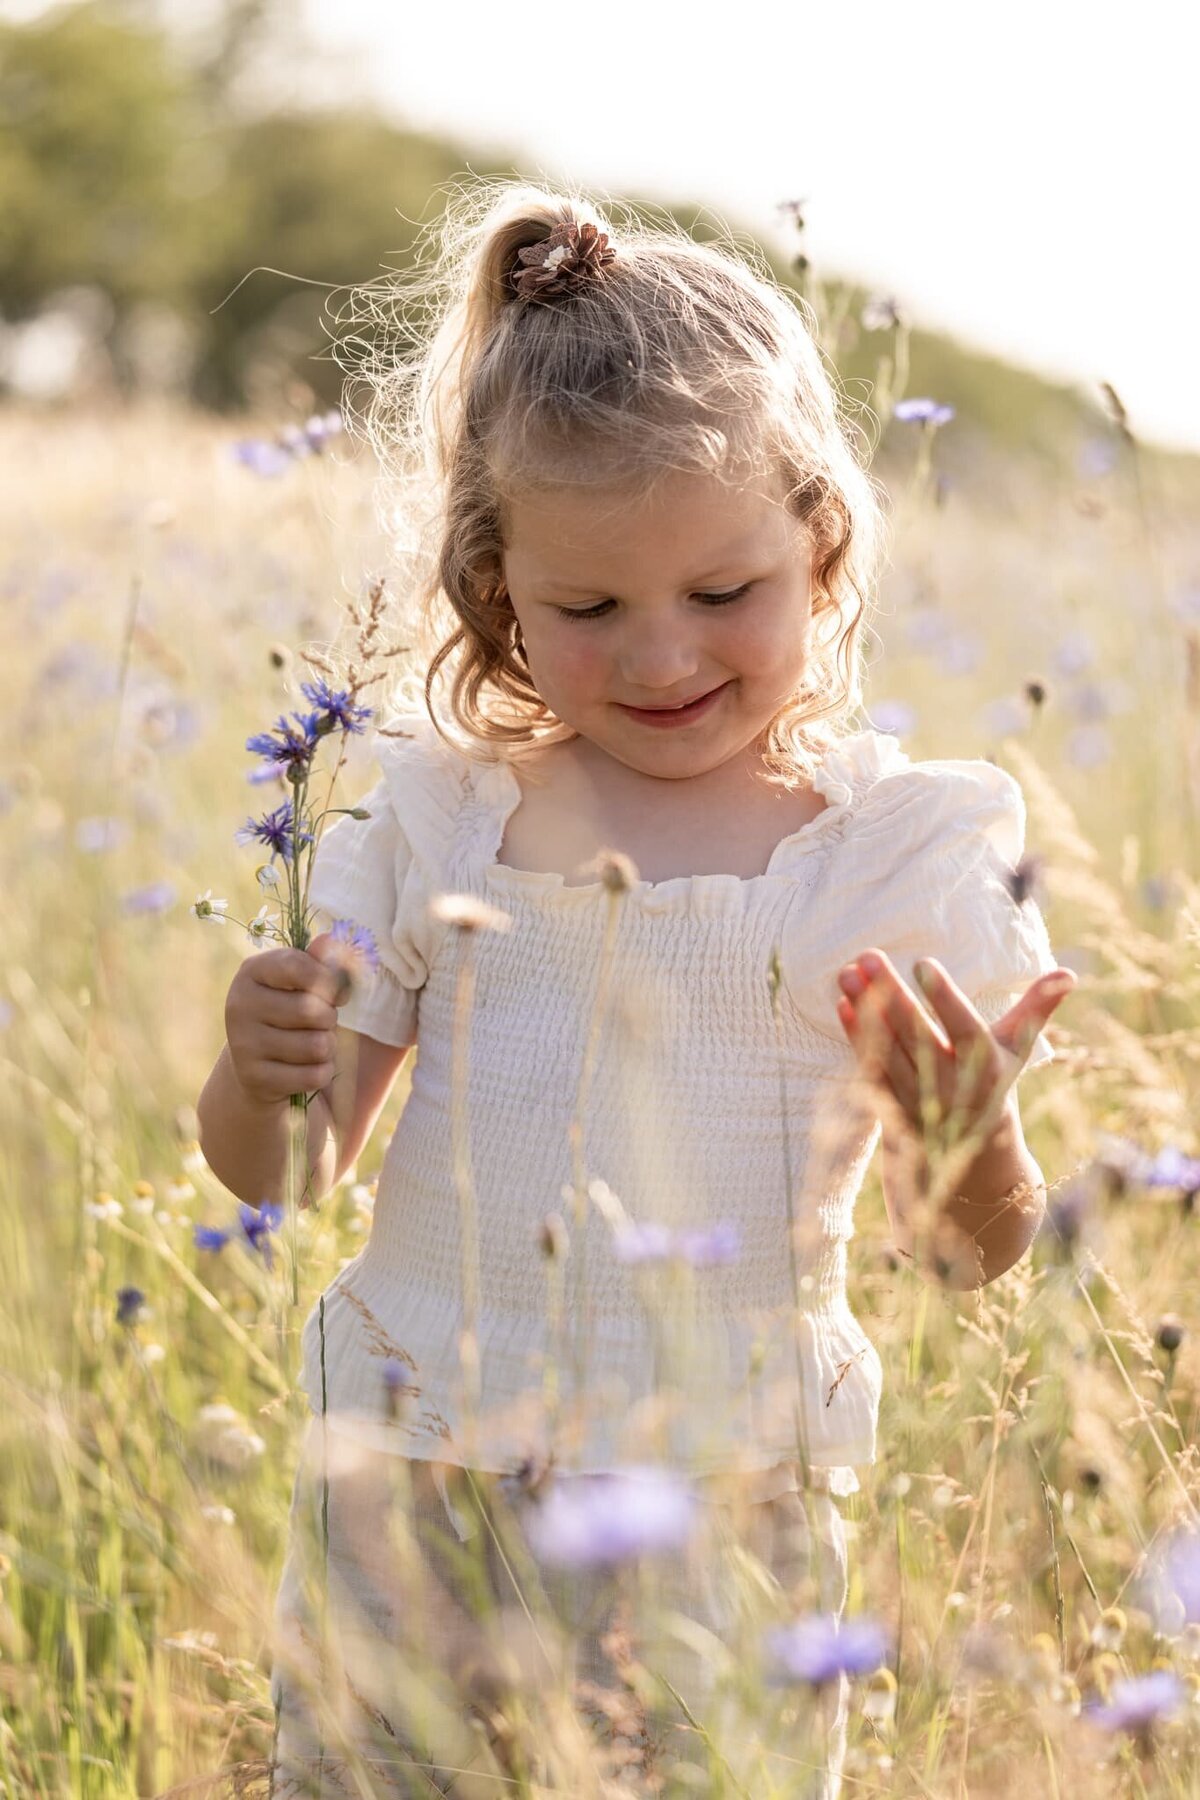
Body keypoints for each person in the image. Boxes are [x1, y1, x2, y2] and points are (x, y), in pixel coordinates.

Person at [197, 182, 1075, 1798]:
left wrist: (971, 1141)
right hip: (410, 1465)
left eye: (722, 595)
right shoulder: (442, 814)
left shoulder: (884, 855)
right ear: (494, 594)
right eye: (591, 610)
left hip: (728, 1499)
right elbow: (283, 1177)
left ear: (818, 548)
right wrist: (262, 1077)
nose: (663, 657)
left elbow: (969, 1258)